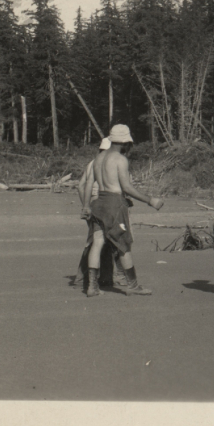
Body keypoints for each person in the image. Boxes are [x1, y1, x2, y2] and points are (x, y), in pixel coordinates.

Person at [85, 123, 164, 296]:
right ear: (125, 142)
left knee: (97, 244)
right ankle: (133, 285)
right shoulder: (120, 159)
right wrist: (150, 200)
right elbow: (127, 188)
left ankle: (92, 286)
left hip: (99, 202)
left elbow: (91, 183)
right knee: (123, 246)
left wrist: (85, 205)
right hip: (114, 204)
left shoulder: (98, 158)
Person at [77, 138, 117, 295]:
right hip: (109, 203)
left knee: (94, 241)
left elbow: (81, 185)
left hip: (93, 205)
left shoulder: (93, 163)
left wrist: (86, 205)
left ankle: (85, 281)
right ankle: (104, 279)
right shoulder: (114, 163)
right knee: (111, 242)